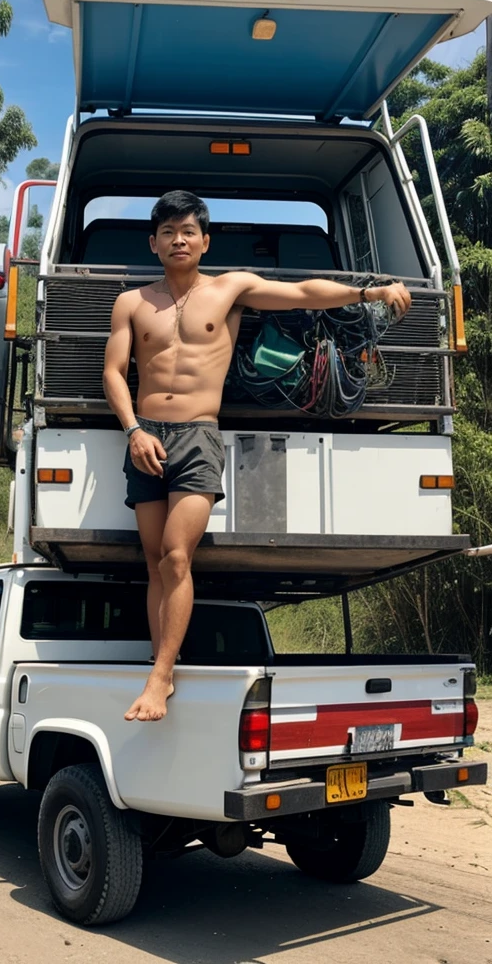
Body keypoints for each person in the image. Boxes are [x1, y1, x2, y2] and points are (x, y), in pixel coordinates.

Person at [102, 190, 411, 722]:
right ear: (153, 243)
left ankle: (160, 678)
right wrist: (132, 430)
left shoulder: (230, 289)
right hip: (144, 436)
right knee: (153, 560)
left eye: (189, 230)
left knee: (177, 555)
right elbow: (113, 372)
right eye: (169, 231)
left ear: (205, 240)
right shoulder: (131, 302)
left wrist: (371, 291)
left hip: (198, 435)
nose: (179, 239)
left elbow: (302, 294)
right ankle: (163, 665)